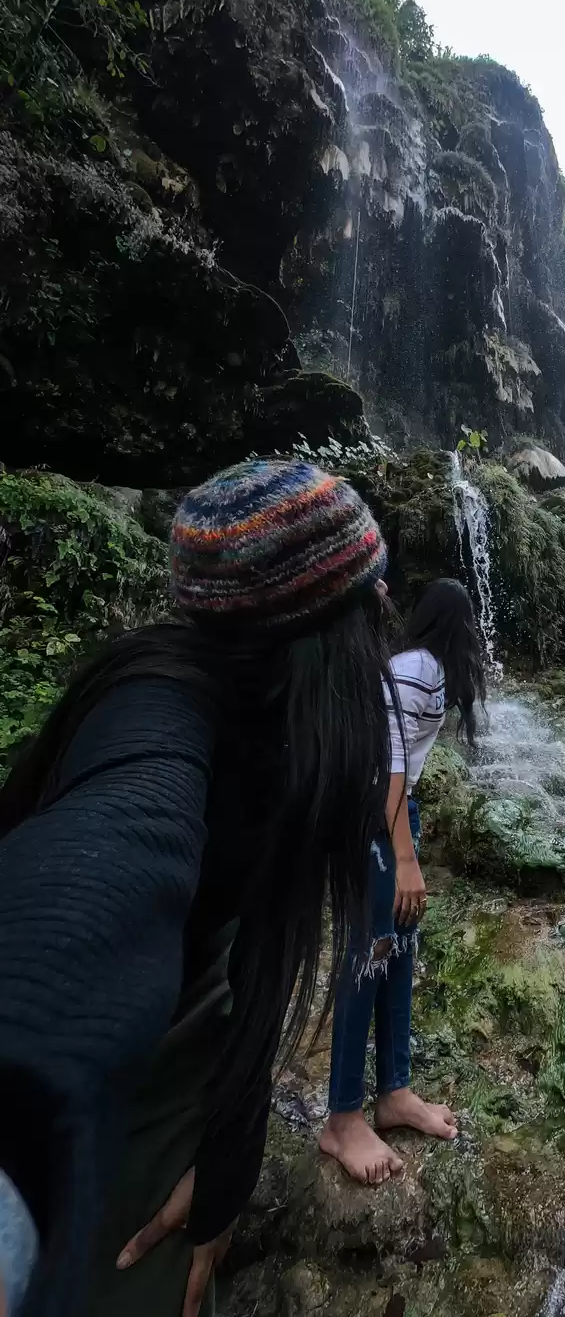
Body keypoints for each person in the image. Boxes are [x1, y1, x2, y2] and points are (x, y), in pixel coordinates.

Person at [0, 458, 393, 1317]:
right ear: (324, 626)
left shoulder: (289, 732)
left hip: (183, 1018)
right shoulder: (155, 711)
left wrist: (227, 1163)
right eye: (374, 593)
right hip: (100, 1045)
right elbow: (105, 866)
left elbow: (261, 945)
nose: (387, 614)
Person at [319, 578, 486, 1185]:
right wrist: (406, 855)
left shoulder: (426, 667)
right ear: (458, 624)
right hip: (372, 815)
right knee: (370, 952)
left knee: (400, 945)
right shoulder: (415, 667)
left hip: (392, 811)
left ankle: (393, 1091)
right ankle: (341, 1116)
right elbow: (387, 761)